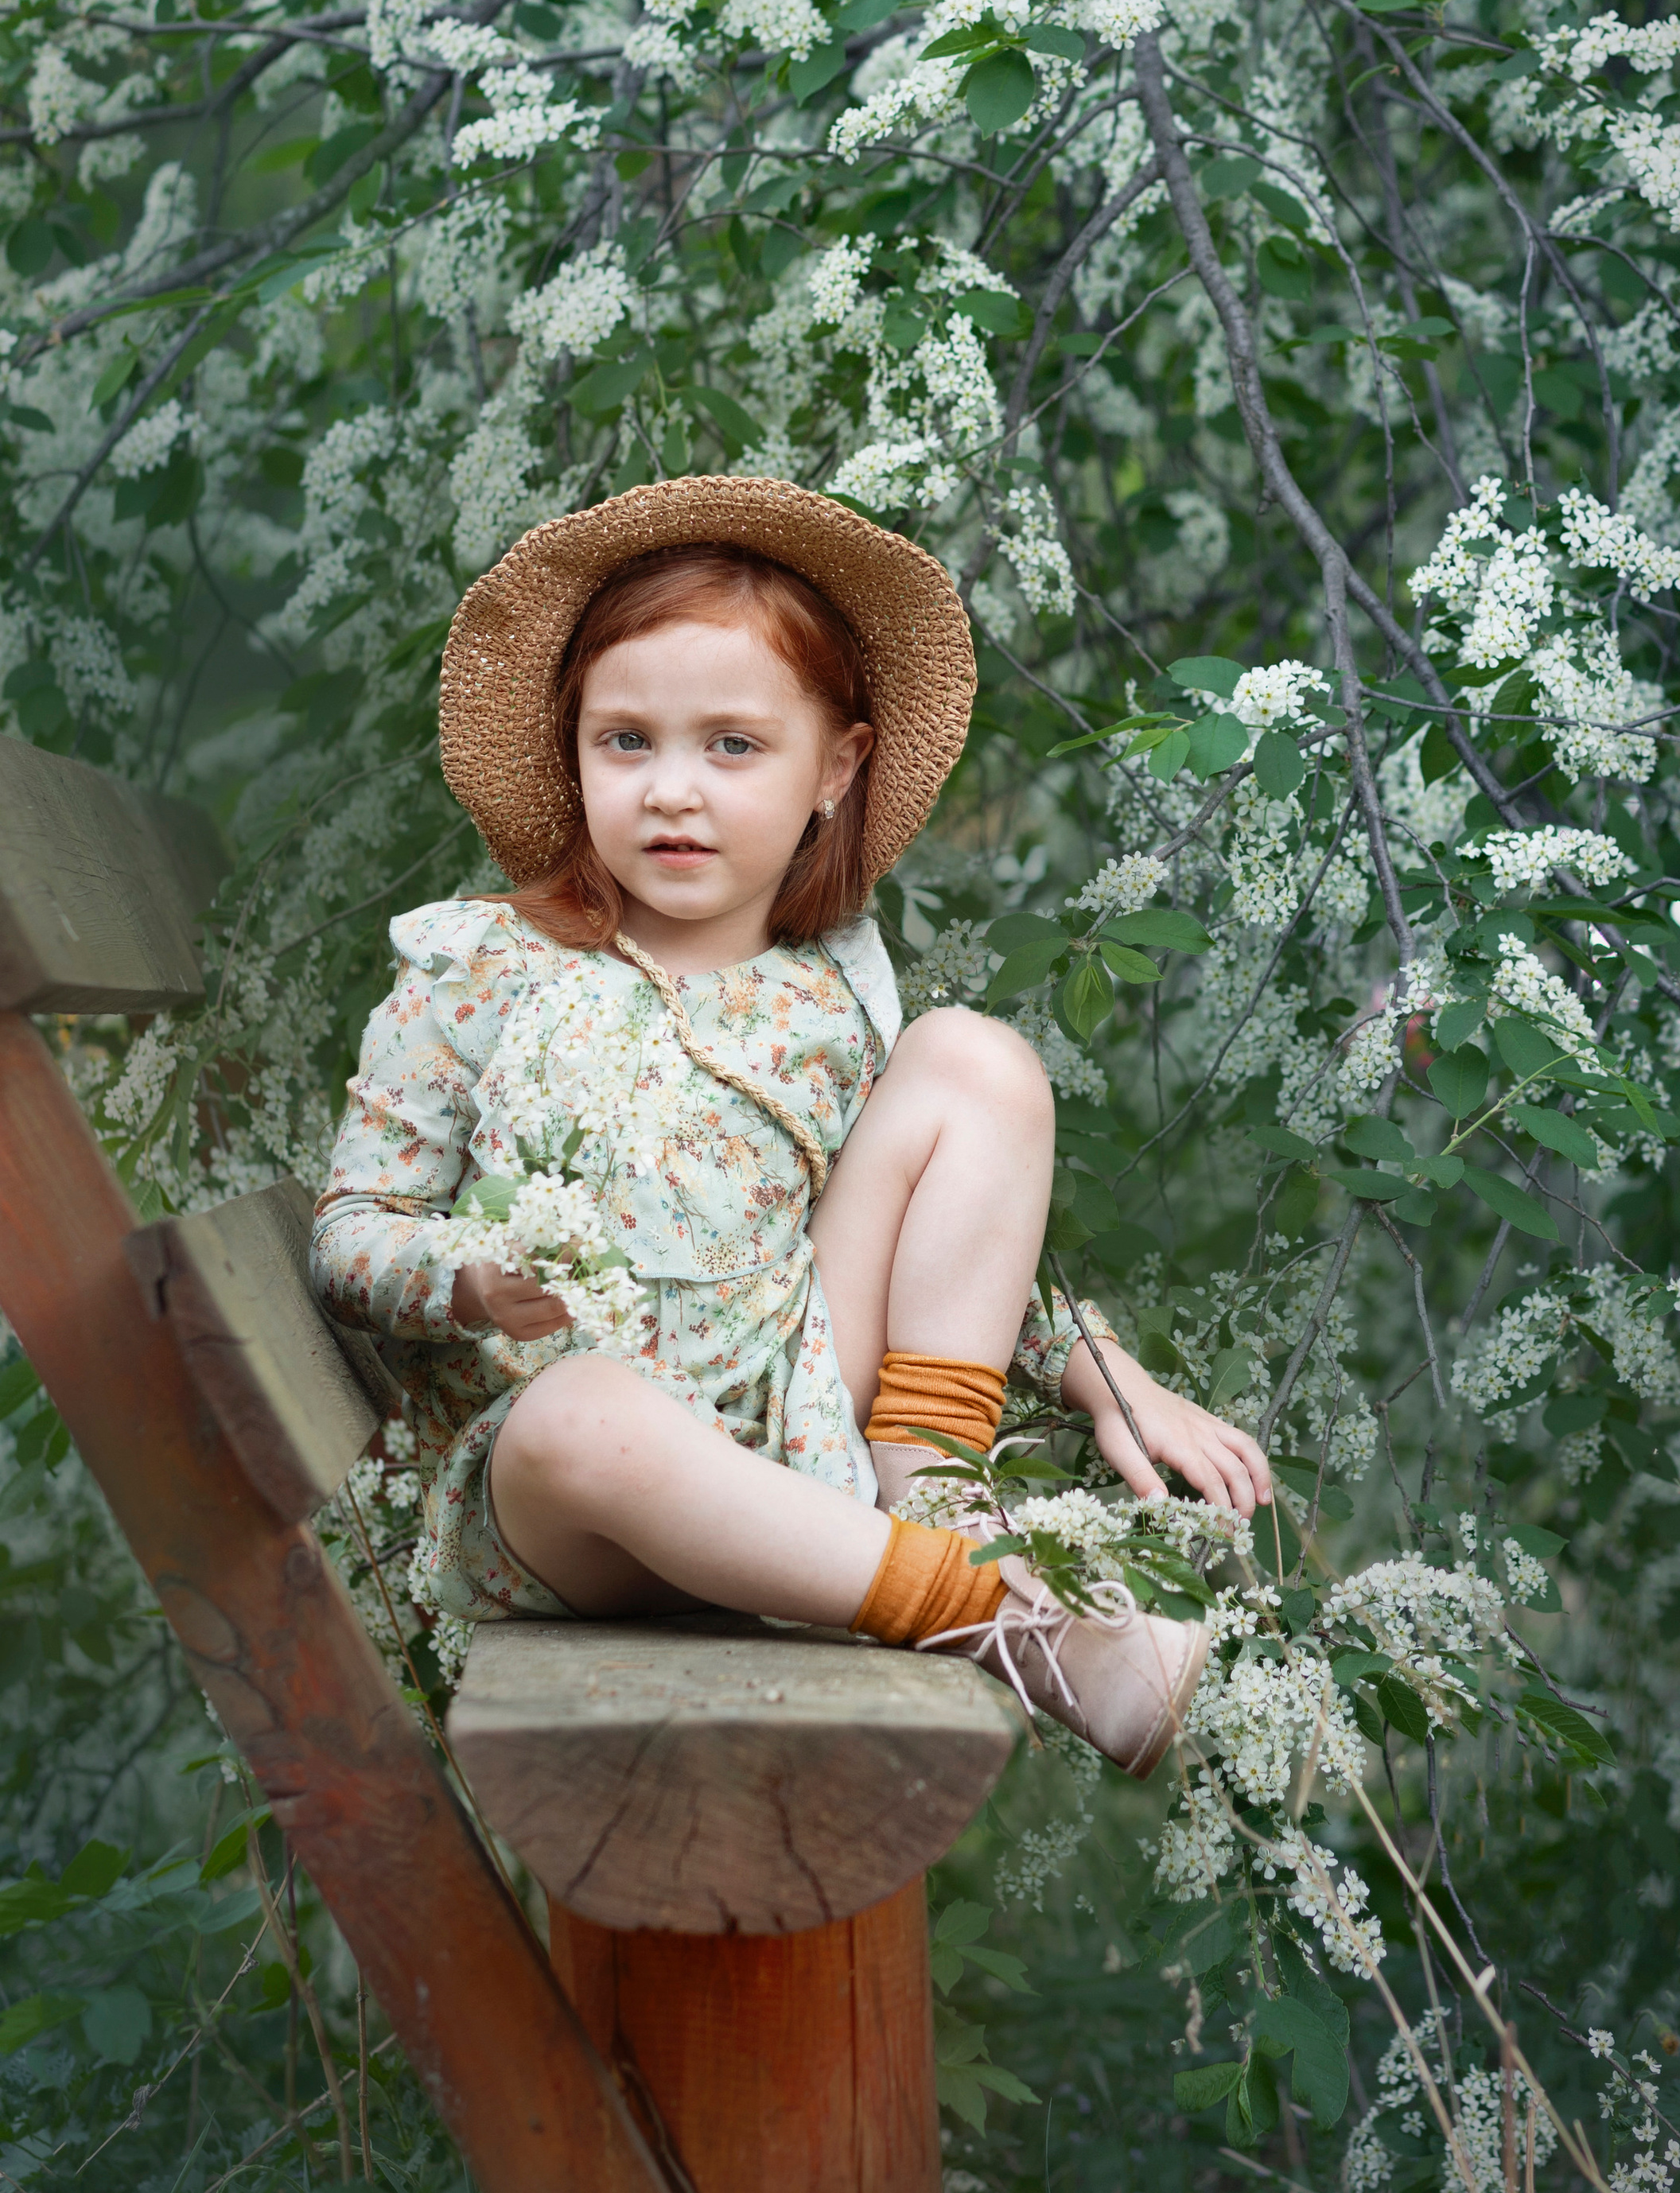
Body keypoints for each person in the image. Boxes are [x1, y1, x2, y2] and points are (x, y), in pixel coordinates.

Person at [313, 476, 1270, 1775]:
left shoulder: (830, 996)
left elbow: (953, 1251)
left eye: (733, 746)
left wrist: (1111, 1378)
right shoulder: (480, 963)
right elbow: (353, 1234)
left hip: (801, 1431)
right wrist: (470, 1279)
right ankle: (1010, 1625)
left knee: (977, 1061)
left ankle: (935, 1495)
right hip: (576, 1499)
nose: (672, 792)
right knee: (586, 1417)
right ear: (572, 750)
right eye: (626, 742)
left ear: (837, 767)